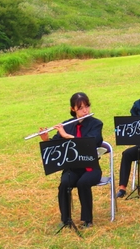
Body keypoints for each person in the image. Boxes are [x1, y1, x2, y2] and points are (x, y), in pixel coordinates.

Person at [40, 92, 104, 229]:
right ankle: (65, 220)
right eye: (80, 108)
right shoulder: (67, 125)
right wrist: (46, 139)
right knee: (64, 184)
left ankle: (87, 220)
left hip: (91, 167)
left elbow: (91, 143)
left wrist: (67, 136)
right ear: (73, 109)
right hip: (73, 167)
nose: (85, 110)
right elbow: (55, 144)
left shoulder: (96, 124)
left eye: (87, 106)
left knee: (83, 183)